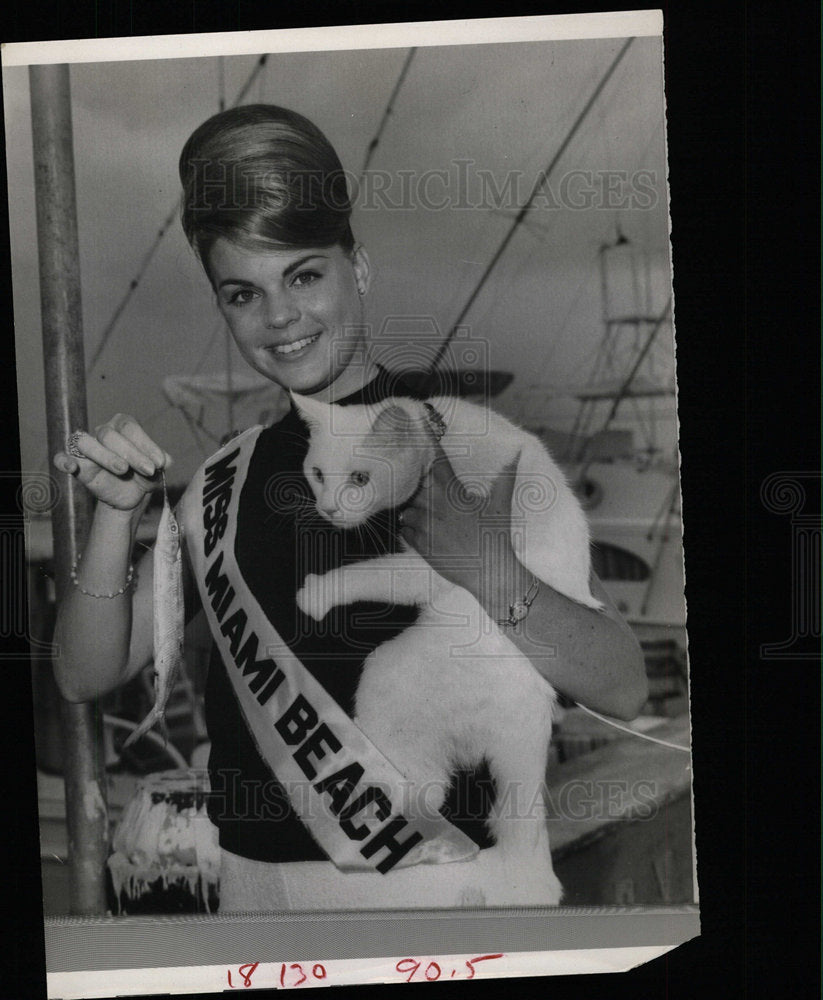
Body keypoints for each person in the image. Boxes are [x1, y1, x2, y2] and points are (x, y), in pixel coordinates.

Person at [52, 104, 647, 912]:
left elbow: (621, 685)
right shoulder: (222, 483)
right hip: (253, 898)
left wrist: (488, 569)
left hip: (441, 896)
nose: (279, 317)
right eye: (242, 293)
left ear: (356, 267)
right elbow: (87, 674)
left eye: (303, 275)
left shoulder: (469, 448)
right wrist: (118, 515)